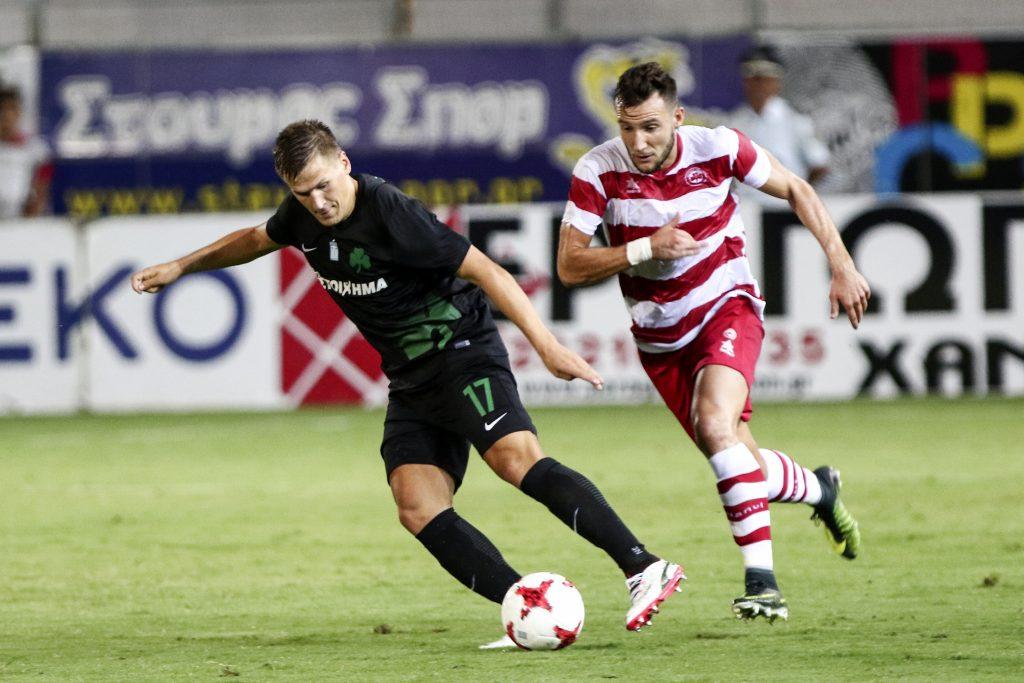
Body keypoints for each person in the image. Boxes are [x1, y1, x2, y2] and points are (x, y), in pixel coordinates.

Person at [130, 119, 684, 647]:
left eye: (325, 186)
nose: (319, 202)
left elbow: (487, 271)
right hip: (412, 379)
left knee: (515, 460)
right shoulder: (303, 215)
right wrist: (181, 267)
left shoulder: (390, 211)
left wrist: (547, 347)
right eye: (303, 194)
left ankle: (643, 566)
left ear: (343, 164)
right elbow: (255, 238)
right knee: (417, 505)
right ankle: (529, 606)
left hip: (462, 349)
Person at [557, 62, 869, 622]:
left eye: (650, 127)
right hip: (660, 339)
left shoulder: (718, 147)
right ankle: (819, 490)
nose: (638, 141)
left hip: (728, 307)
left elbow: (797, 187)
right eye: (627, 128)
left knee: (715, 424)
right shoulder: (598, 170)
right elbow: (569, 265)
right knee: (736, 456)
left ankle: (763, 582)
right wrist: (643, 248)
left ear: (677, 117)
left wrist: (842, 264)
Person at [729, 46, 829, 188]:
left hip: (783, 206)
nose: (759, 85)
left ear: (776, 83)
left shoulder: (795, 119)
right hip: (747, 206)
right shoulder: (736, 121)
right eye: (753, 79)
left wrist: (797, 195)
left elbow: (819, 164)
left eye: (765, 79)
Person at [0, 84, 52, 219]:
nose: (5, 116)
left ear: (18, 112)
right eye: (1, 110)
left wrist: (29, 219)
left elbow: (41, 189)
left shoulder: (36, 149)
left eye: (10, 109)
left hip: (20, 220)